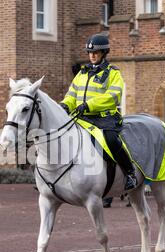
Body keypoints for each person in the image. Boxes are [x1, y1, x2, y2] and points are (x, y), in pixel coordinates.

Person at [60, 33, 137, 191]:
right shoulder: (82, 74)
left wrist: (89, 105)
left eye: (96, 52)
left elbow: (112, 96)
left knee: (111, 139)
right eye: (90, 52)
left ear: (103, 53)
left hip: (105, 118)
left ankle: (130, 173)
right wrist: (65, 105)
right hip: (82, 118)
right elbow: (72, 95)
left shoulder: (113, 73)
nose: (92, 55)